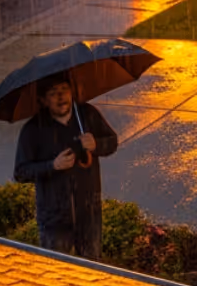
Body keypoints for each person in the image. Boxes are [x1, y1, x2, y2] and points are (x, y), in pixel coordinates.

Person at [13, 73, 120, 259]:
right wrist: (52, 166)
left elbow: (112, 142)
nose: (61, 96)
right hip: (54, 218)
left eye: (64, 90)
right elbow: (21, 172)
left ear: (72, 92)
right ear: (43, 100)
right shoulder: (33, 130)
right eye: (53, 93)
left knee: (91, 271)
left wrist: (96, 144)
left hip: (89, 213)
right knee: (56, 271)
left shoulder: (87, 115)